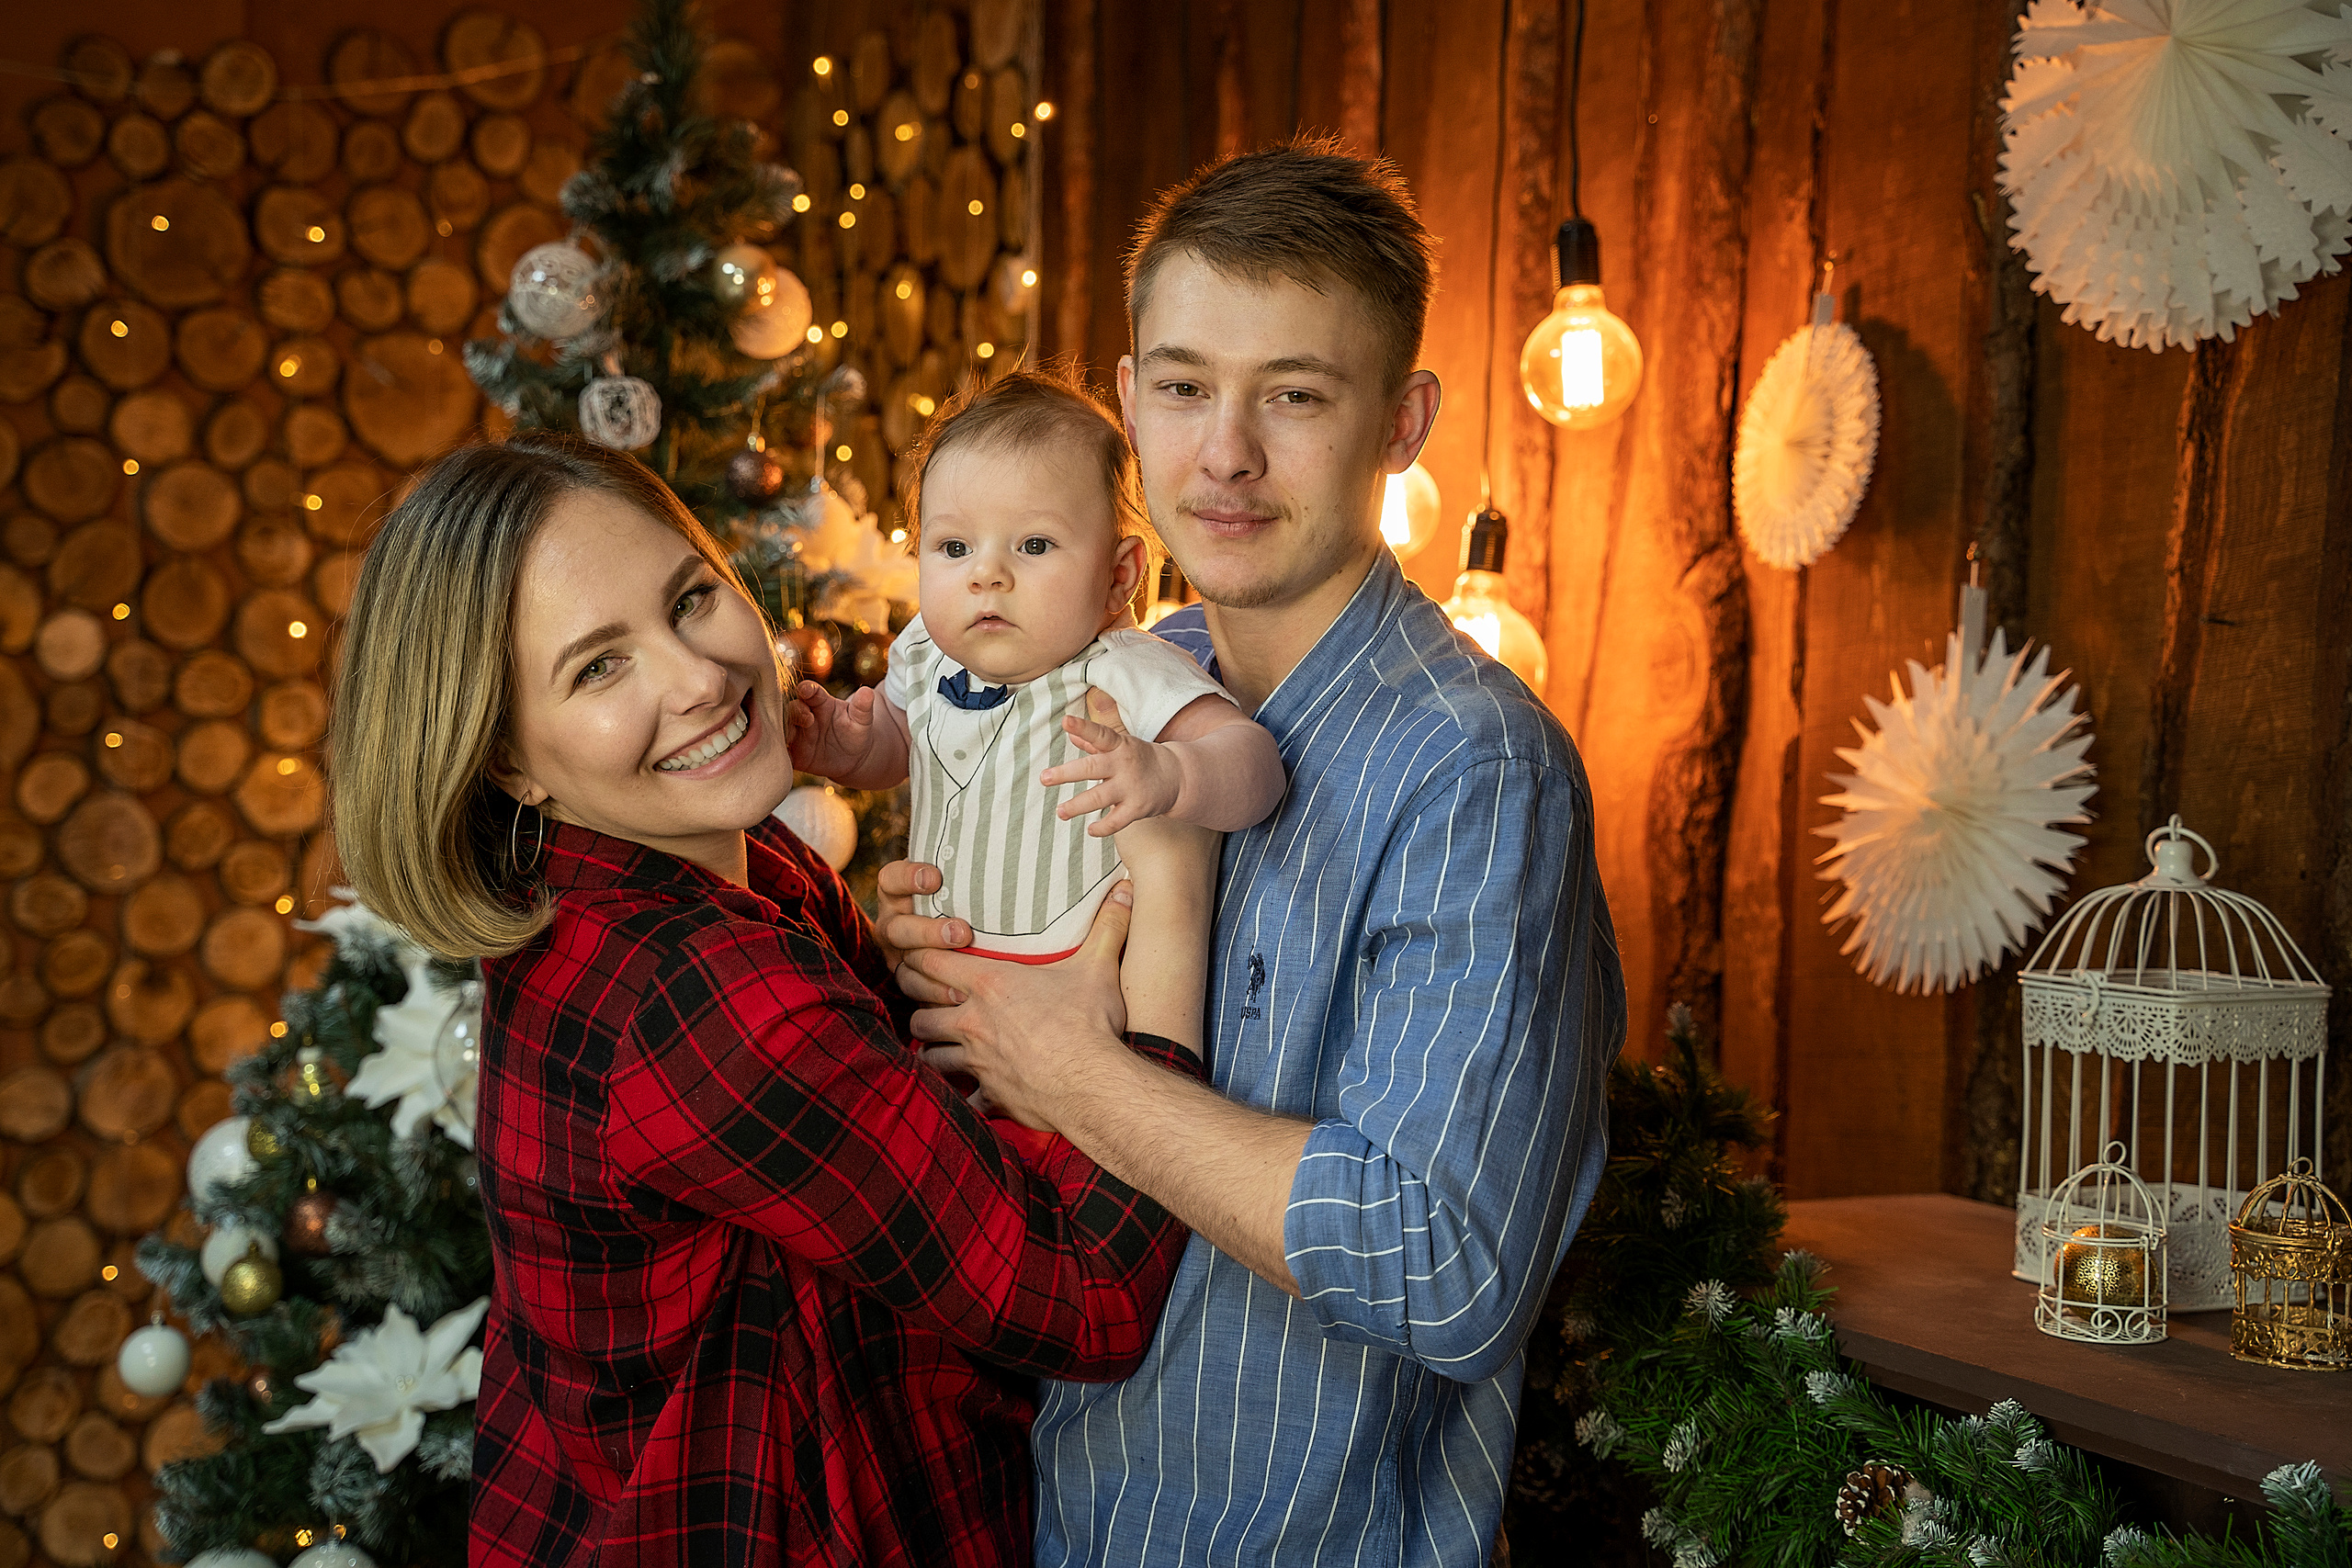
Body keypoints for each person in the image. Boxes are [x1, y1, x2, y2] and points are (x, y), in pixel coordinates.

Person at [887, 138, 1628, 1564]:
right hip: (1031, 1513)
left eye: (1293, 394)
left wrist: (1074, 1074)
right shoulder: (1100, 677)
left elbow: (1446, 1267)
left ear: (1400, 424)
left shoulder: (1472, 768)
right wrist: (926, 925)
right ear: (1123, 401)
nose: (1223, 453)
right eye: (1181, 387)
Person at [326, 431, 1216, 1567]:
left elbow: (884, 1124)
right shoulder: (697, 995)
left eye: (691, 596)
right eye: (598, 666)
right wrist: (1171, 906)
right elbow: (1082, 1298)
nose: (699, 677)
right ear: (511, 763)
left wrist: (930, 990)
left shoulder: (721, 859)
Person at [788, 365, 1287, 1071]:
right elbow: (899, 743)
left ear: (1118, 576)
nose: (985, 575)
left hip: (1072, 1007)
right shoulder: (927, 653)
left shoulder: (1119, 667)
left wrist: (1170, 772)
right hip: (940, 1000)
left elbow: (1257, 764)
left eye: (1033, 545)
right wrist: (847, 744)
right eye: (955, 547)